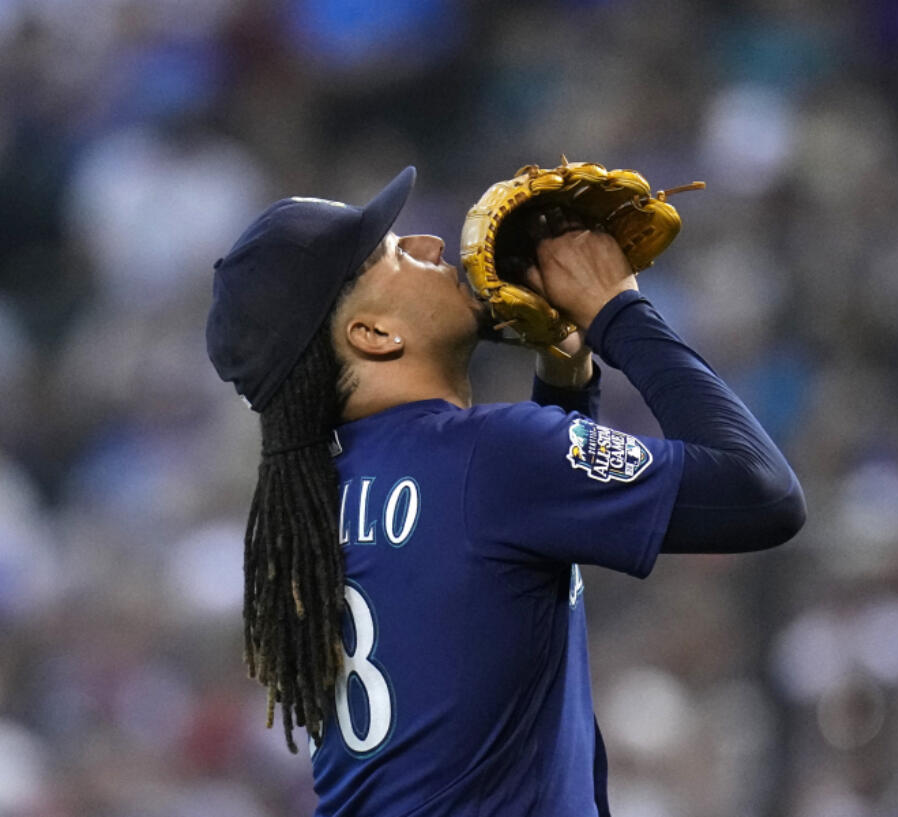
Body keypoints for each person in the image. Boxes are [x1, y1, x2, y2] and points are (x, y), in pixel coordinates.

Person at [206, 165, 805, 817]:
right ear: (372, 335)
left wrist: (567, 380)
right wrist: (617, 310)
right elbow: (761, 493)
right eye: (398, 254)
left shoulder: (316, 504)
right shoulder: (488, 460)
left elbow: (513, 560)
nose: (433, 246)